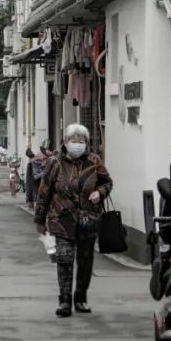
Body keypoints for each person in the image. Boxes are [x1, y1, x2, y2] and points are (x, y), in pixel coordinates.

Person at [34, 124, 112, 318]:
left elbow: (107, 182)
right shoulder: (55, 162)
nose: (77, 144)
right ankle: (64, 301)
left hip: (88, 219)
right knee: (64, 258)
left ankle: (80, 298)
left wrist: (99, 193)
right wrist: (40, 219)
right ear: (65, 142)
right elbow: (44, 191)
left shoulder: (94, 161)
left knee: (85, 260)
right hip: (61, 218)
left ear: (87, 143)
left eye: (81, 140)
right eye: (73, 140)